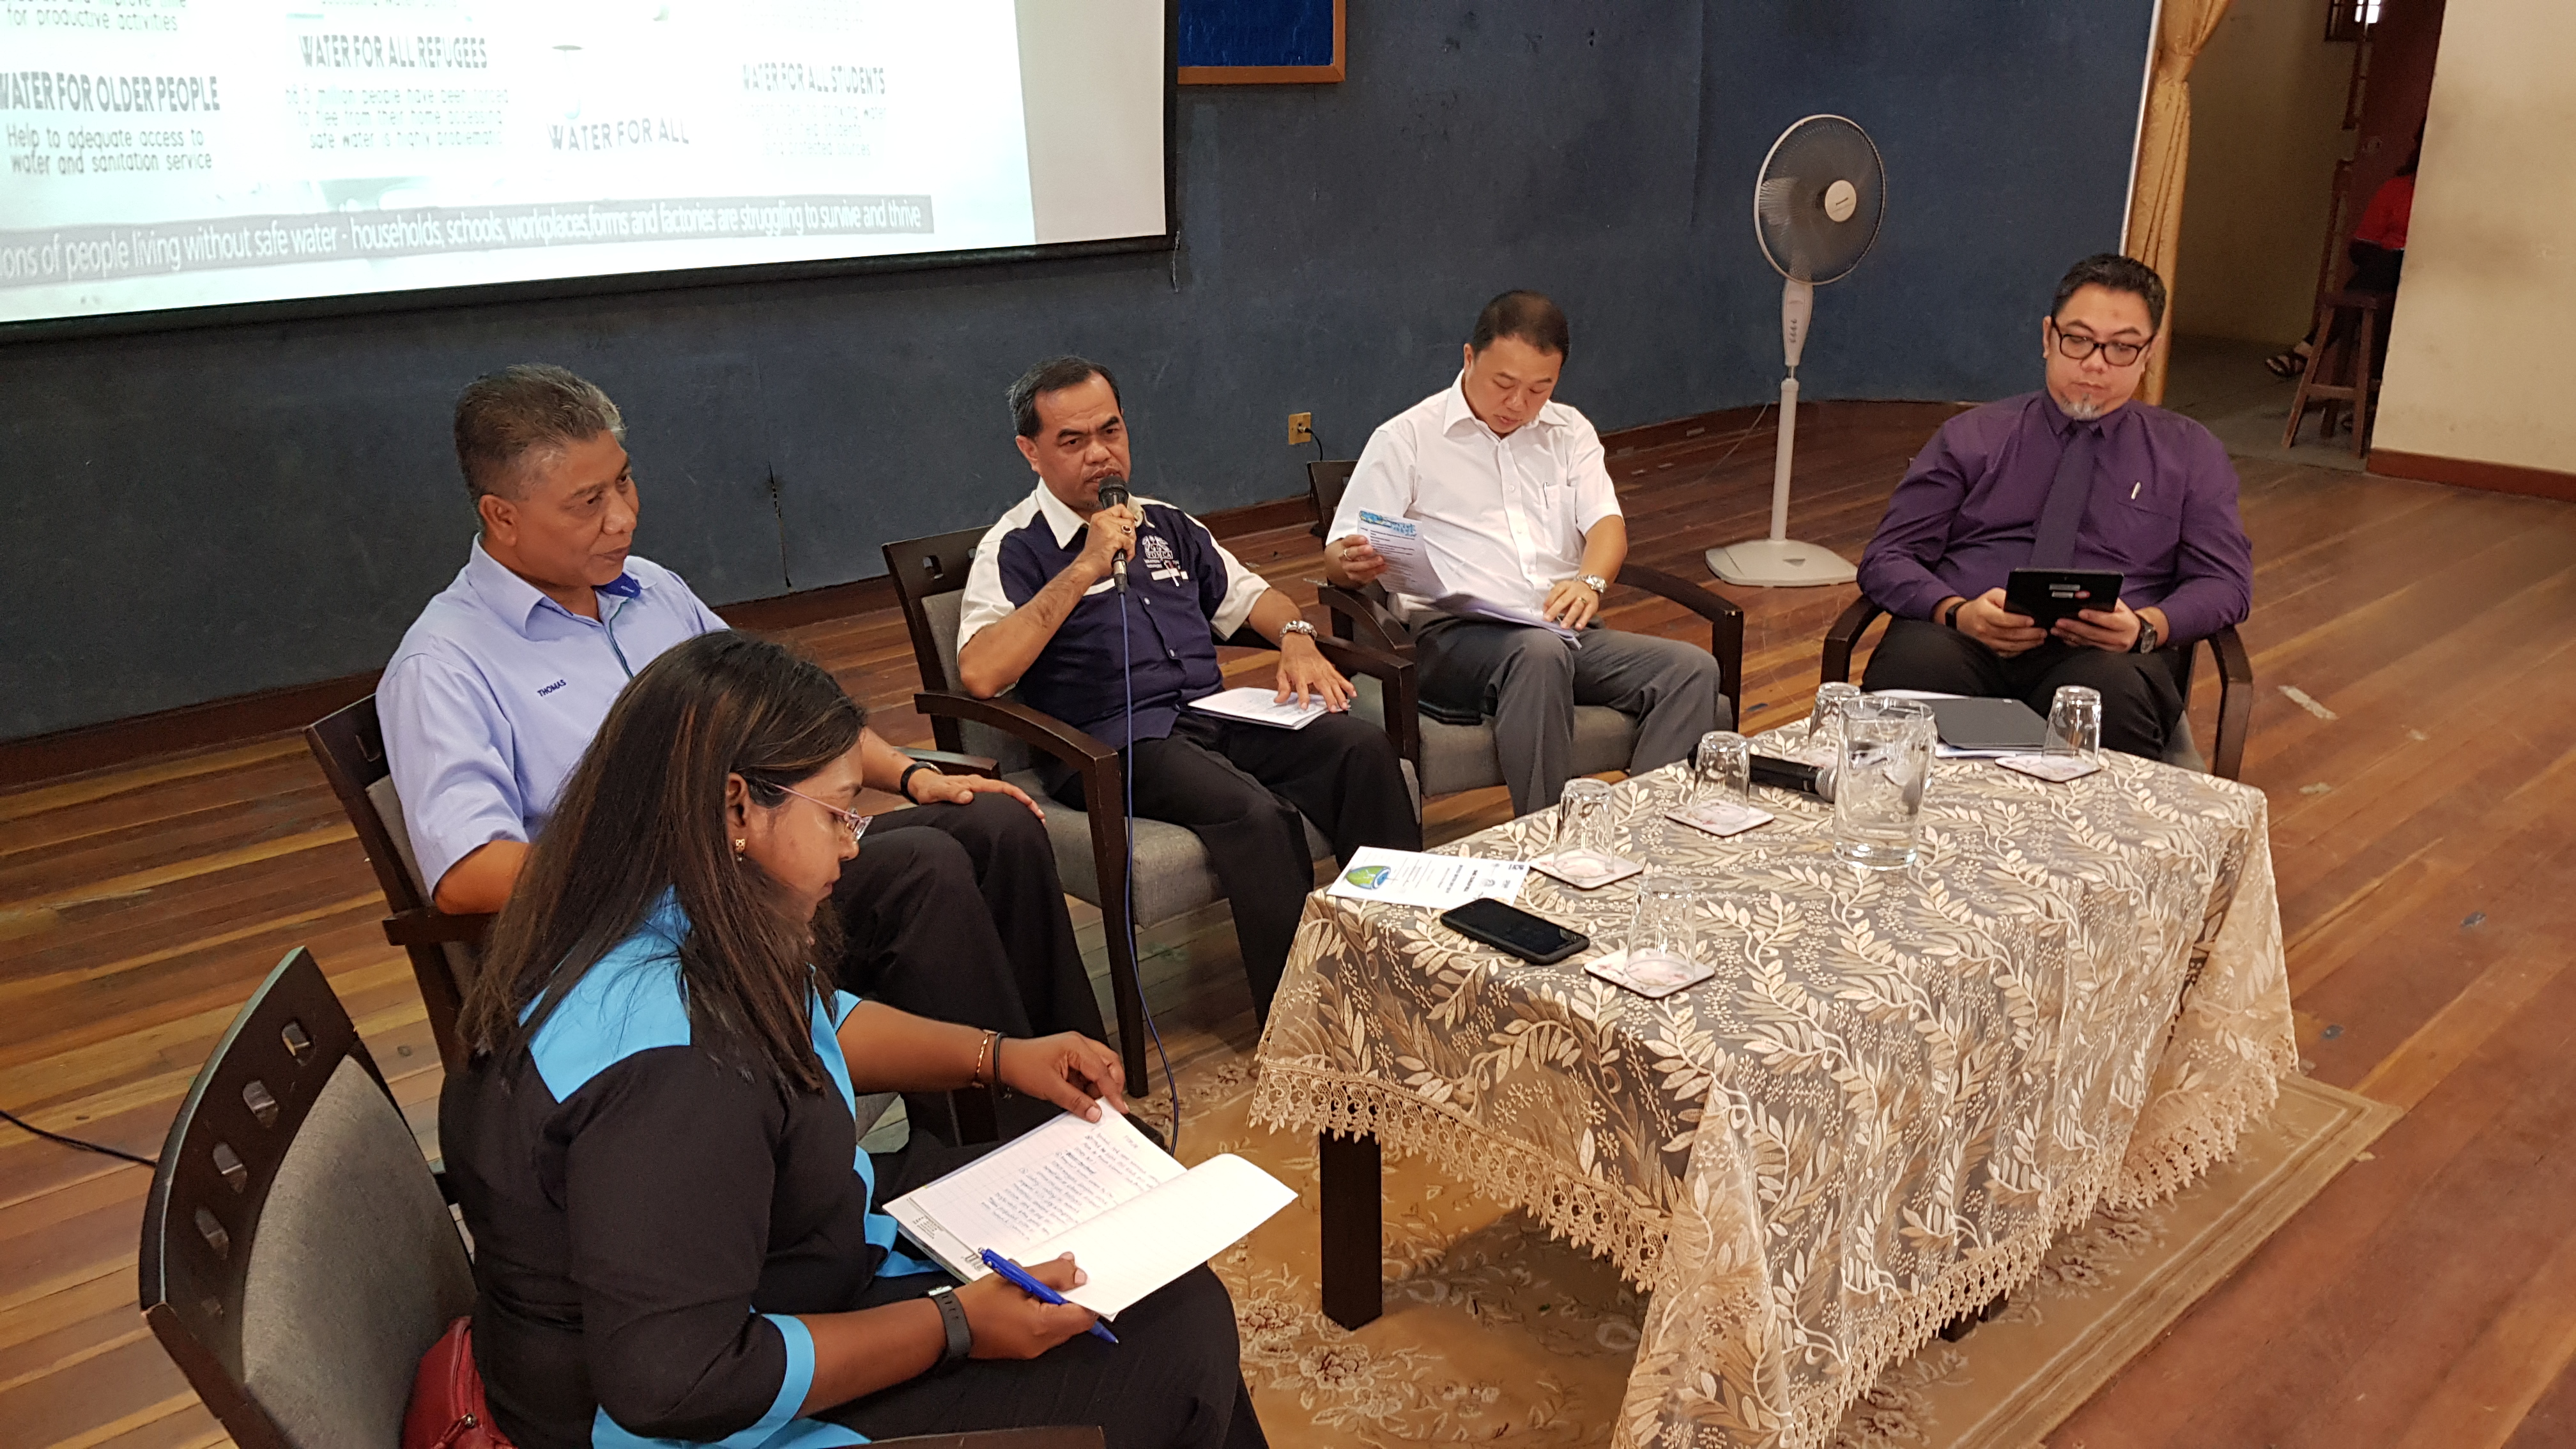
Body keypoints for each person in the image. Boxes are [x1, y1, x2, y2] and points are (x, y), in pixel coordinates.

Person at [436, 630, 1265, 1449]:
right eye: (838, 812)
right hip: (686, 1409)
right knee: (1175, 1341)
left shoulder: (653, 907)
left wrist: (1001, 1057)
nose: (851, 841)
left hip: (788, 1259)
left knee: (1131, 1220)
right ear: (735, 807)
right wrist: (955, 1325)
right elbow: (679, 1380)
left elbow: (814, 1023)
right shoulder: (675, 1071)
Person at [380, 365, 1103, 1139]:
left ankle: (1086, 1094)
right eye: (587, 503)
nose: (622, 518)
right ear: (502, 515)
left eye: (624, 483)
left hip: (763, 860)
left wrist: (913, 775)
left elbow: (788, 711)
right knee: (923, 873)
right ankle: (1004, 1144)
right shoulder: (444, 663)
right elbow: (465, 875)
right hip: (651, 927)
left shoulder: (650, 590)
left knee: (996, 825)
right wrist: (679, 852)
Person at [955, 356, 1420, 1020]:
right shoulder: (1014, 546)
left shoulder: (1166, 524)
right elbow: (981, 671)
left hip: (1213, 713)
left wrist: (1295, 636)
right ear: (1030, 452)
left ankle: (1404, 971)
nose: (1100, 454)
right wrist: (1086, 565)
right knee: (1255, 814)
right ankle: (1304, 1026)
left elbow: (1254, 597)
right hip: (1115, 743)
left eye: (1110, 431)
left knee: (1362, 752)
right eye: (1073, 441)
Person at [1319, 290, 1729, 816]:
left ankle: (1636, 832)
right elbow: (1337, 555)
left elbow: (1607, 526)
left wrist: (1590, 583)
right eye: (1504, 384)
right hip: (1454, 639)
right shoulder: (1407, 439)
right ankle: (1549, 837)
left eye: (1540, 388)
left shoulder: (1568, 431)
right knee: (1538, 656)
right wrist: (1350, 563)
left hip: (1562, 630)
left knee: (1691, 670)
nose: (1518, 404)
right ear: (1469, 357)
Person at [1855, 254, 2253, 760]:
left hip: (2104, 656)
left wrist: (2147, 626)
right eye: (2079, 340)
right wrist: (1955, 612)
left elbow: (2225, 582)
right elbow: (1887, 557)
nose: (2095, 363)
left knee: (2107, 695)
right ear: (2048, 337)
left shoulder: (2189, 454)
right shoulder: (1972, 437)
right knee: (1914, 668)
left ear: (2149, 353)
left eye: (2122, 347)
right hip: (1963, 637)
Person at [2266, 137, 2418, 379]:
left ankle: (2308, 349)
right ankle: (2367, 391)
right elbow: (2362, 245)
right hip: (2388, 271)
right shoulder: (2396, 189)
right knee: (2382, 272)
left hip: (2429, 274)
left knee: (2371, 283)